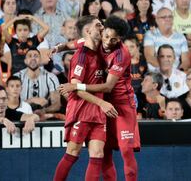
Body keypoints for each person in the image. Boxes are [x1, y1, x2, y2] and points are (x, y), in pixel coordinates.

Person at [58, 16, 139, 181]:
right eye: (106, 36)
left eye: (114, 39)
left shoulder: (121, 54)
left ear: (120, 39)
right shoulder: (87, 50)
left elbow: (108, 86)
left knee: (121, 150)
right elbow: (76, 43)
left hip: (120, 104)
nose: (108, 41)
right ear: (101, 32)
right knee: (96, 153)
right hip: (96, 105)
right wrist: (59, 47)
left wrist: (77, 87)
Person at [53, 15, 118, 181]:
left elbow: (74, 42)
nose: (102, 27)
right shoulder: (81, 56)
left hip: (98, 112)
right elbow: (76, 89)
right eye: (98, 25)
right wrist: (102, 102)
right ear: (88, 31)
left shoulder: (101, 49)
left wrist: (61, 47)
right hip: (81, 110)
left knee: (97, 154)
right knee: (73, 152)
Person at [13, 48, 61, 119]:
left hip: (43, 117)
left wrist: (43, 111)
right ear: (25, 61)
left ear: (40, 60)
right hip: (21, 116)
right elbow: (11, 104)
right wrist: (30, 101)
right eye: (30, 56)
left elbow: (57, 104)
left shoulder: (51, 77)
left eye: (36, 56)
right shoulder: (16, 77)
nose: (33, 58)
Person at [144, 7, 190, 72]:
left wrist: (179, 72)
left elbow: (186, 61)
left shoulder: (181, 37)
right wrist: (166, 70)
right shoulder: (150, 35)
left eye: (170, 17)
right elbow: (150, 58)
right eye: (164, 17)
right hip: (156, 74)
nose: (167, 19)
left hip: (176, 73)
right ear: (157, 20)